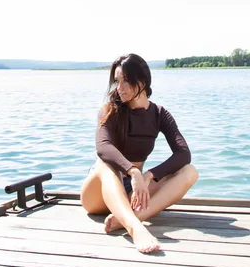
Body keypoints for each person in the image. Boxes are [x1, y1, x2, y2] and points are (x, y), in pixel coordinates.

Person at [81, 53, 199, 254]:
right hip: (99, 192)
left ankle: (128, 217)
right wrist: (133, 172)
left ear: (142, 81)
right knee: (105, 164)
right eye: (117, 81)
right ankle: (136, 228)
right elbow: (103, 147)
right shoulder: (110, 110)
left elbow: (183, 154)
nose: (120, 88)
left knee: (190, 172)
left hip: (133, 192)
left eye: (126, 81)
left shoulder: (159, 114)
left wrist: (149, 175)